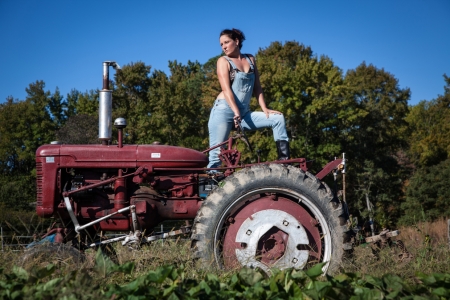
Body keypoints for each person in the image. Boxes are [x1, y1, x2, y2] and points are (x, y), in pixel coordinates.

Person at [207, 28, 290, 169]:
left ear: (237, 41)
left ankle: (284, 163)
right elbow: (226, 90)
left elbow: (257, 87)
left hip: (243, 113)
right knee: (216, 155)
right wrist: (235, 111)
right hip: (224, 111)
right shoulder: (223, 61)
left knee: (278, 119)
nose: (224, 47)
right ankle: (211, 186)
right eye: (221, 44)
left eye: (226, 42)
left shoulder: (251, 59)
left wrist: (265, 109)